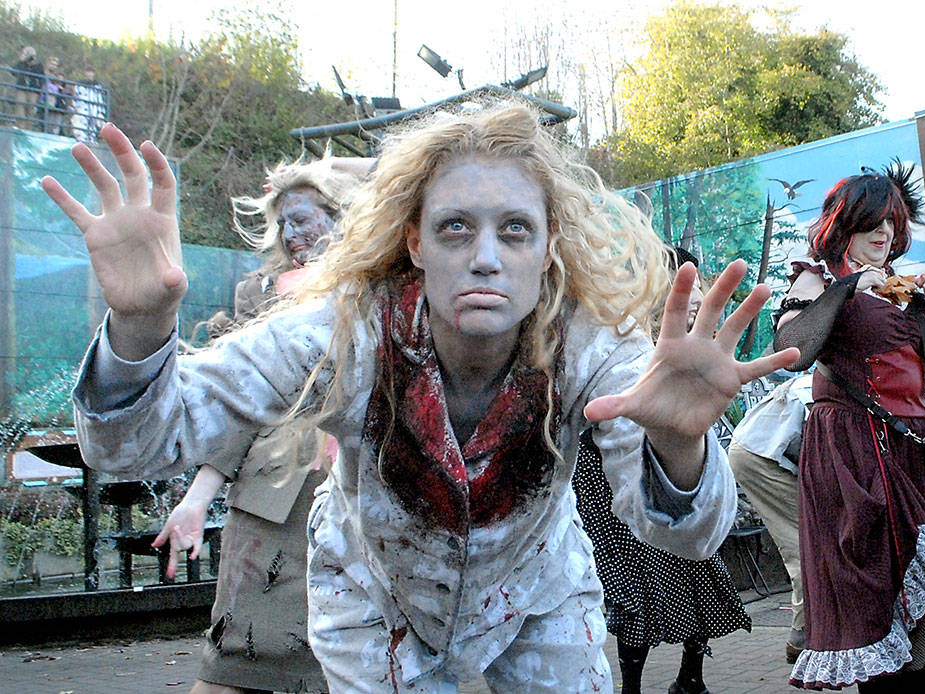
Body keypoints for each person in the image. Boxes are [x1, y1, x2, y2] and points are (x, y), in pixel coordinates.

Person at [44, 105, 798, 692]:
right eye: (456, 227)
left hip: (539, 587)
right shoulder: (341, 333)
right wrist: (139, 329)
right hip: (373, 595)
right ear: (415, 243)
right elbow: (133, 448)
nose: (485, 257)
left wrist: (680, 447)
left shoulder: (595, 347)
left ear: (548, 246)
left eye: (515, 230)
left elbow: (692, 537)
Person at [772, 163, 925, 692]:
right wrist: (848, 287)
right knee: (872, 589)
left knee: (921, 600)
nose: (884, 232)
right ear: (843, 224)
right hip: (852, 452)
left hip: (912, 453)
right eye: (872, 222)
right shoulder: (818, 276)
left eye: (891, 222)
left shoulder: (902, 284)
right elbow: (792, 350)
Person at [152, 159, 363, 694]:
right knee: (233, 667)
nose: (291, 235)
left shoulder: (386, 290)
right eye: (283, 223)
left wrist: (333, 165)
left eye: (302, 219)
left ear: (342, 215)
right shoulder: (262, 296)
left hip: (359, 503)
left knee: (347, 672)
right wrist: (196, 501)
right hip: (274, 509)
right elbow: (237, 413)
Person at [573, 246, 750, 694]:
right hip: (609, 484)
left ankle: (691, 676)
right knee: (634, 586)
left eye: (695, 285)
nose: (694, 297)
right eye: (675, 285)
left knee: (698, 572)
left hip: (681, 475)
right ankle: (632, 686)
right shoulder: (617, 344)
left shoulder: (702, 347)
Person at [727, 368, 812, 664]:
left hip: (761, 452)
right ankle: (801, 636)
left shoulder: (820, 385)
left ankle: (809, 631)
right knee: (804, 543)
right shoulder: (818, 391)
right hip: (757, 458)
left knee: (808, 540)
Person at [70, 67, 107, 144]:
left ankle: (92, 141)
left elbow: (99, 98)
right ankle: (82, 141)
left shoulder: (97, 86)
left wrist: (100, 111)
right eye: (88, 72)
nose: (90, 74)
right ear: (85, 73)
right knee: (81, 125)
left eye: (91, 72)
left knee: (93, 127)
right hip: (83, 108)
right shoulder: (79, 85)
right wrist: (75, 107)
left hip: (94, 109)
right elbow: (76, 96)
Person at [8, 46, 43, 128]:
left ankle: (28, 128)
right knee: (19, 105)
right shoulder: (22, 64)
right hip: (21, 88)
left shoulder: (38, 65)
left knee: (31, 109)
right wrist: (21, 61)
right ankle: (20, 126)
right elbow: (13, 72)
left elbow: (40, 76)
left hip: (33, 90)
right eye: (27, 53)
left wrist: (32, 62)